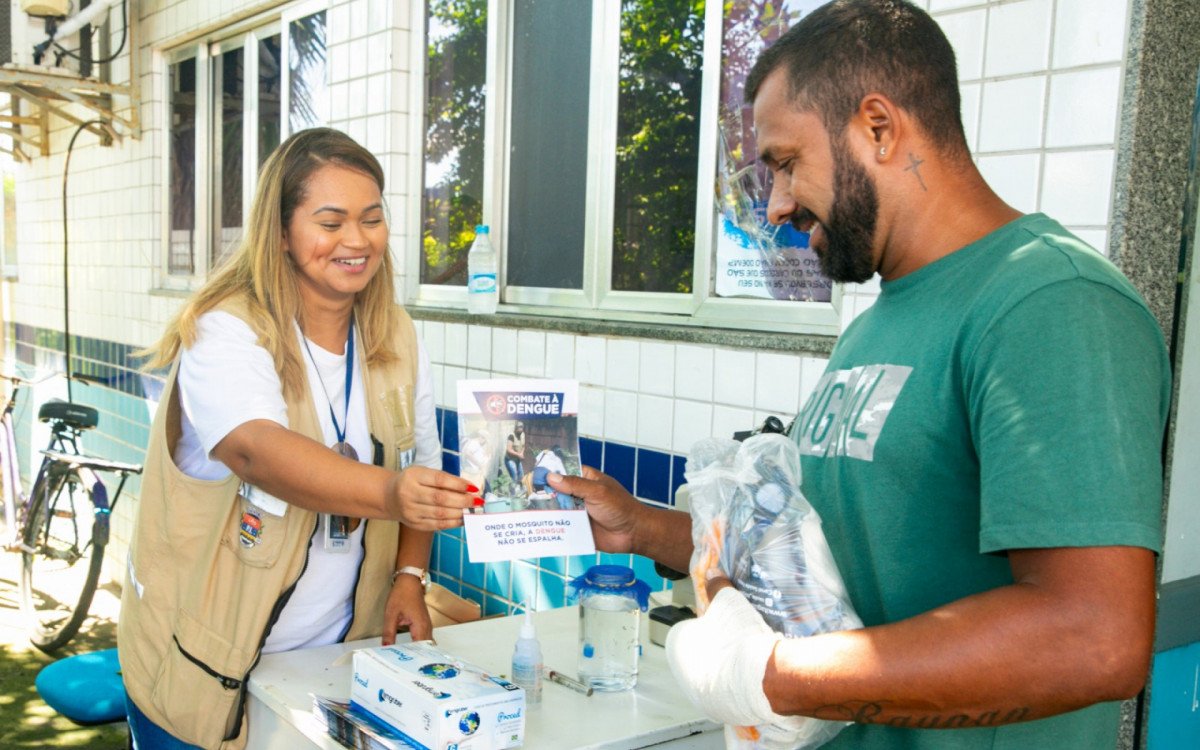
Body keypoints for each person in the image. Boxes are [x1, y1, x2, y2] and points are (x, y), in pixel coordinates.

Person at [549, 1, 1170, 747]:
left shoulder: (1050, 303)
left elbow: (1092, 638)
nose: (776, 205)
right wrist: (643, 527)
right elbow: (832, 562)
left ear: (878, 127)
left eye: (784, 163)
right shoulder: (877, 323)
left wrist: (770, 676)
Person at [120, 128, 480, 749]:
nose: (357, 240)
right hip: (204, 671)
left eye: (372, 219)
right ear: (281, 231)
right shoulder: (225, 328)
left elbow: (421, 459)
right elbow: (255, 448)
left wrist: (410, 576)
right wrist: (392, 493)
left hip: (333, 667)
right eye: (331, 221)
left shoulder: (394, 334)